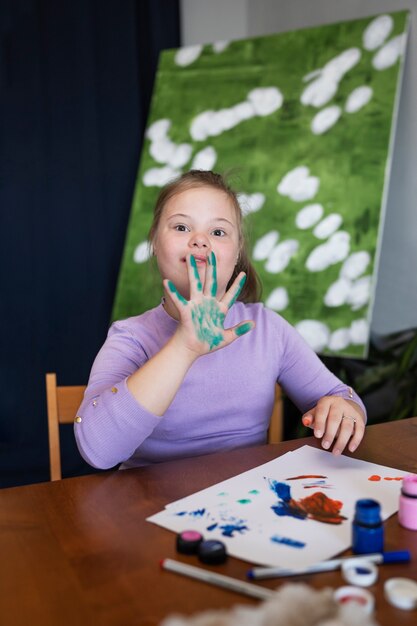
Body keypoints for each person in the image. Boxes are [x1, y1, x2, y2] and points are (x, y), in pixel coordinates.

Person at [74, 170, 366, 470]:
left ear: (238, 251)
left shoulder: (267, 328)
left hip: (245, 503)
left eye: (217, 232)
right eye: (181, 227)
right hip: (146, 508)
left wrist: (345, 408)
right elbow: (99, 451)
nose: (199, 240)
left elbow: (343, 397)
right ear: (154, 242)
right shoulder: (130, 337)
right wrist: (185, 347)